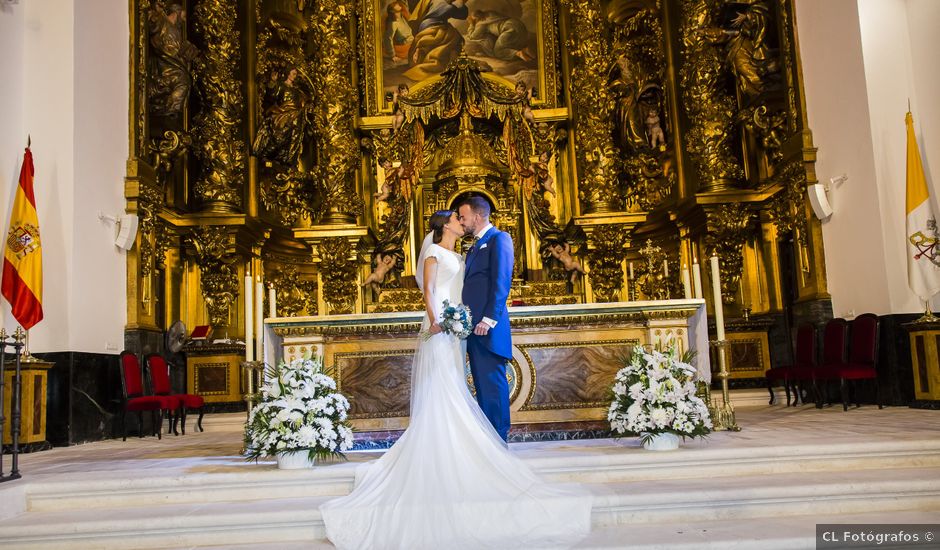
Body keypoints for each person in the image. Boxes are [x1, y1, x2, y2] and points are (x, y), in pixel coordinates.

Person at [320, 209, 592, 549]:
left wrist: (459, 321)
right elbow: (429, 292)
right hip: (441, 328)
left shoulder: (459, 252)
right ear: (445, 225)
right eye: (457, 219)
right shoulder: (433, 253)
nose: (462, 223)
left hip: (457, 330)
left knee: (455, 385)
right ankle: (443, 445)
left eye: (463, 218)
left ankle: (462, 445)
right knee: (443, 387)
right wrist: (437, 322)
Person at [457, 196, 513, 441]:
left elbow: (502, 281)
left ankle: (500, 439)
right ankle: (489, 441)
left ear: (477, 216)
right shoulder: (474, 246)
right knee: (481, 384)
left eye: (463, 216)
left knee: (492, 384)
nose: (461, 221)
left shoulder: (499, 239)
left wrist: (489, 319)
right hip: (474, 327)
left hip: (487, 327)